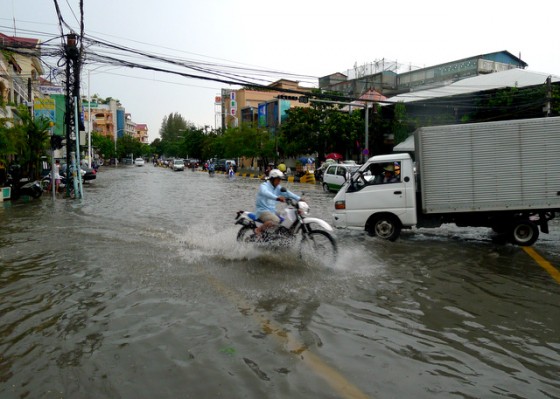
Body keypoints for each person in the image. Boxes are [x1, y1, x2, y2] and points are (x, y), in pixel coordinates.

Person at [254, 169, 300, 236]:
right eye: (278, 180)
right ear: (272, 179)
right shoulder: (264, 186)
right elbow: (266, 193)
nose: (279, 182)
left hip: (272, 211)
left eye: (280, 180)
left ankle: (277, 236)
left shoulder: (277, 187)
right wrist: (277, 198)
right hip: (262, 211)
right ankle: (258, 230)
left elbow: (287, 193)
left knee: (285, 218)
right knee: (276, 221)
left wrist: (299, 198)